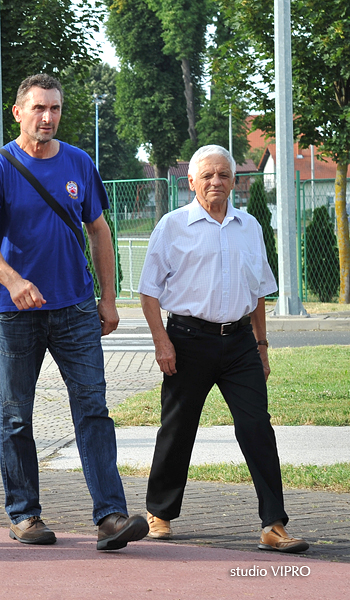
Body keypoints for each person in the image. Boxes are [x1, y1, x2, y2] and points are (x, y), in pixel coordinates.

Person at [0, 74, 148, 550]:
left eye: (55, 109)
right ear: (18, 112)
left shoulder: (79, 162)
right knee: (15, 417)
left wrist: (108, 298)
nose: (48, 117)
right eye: (39, 108)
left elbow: (99, 231)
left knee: (93, 411)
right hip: (15, 313)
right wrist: (13, 281)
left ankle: (111, 516)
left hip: (76, 309)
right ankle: (24, 515)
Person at [139, 144, 309, 554]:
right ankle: (160, 512)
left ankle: (273, 524)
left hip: (239, 344)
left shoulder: (248, 226)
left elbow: (258, 292)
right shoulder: (172, 226)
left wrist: (262, 345)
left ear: (234, 181)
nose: (216, 181)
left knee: (257, 427)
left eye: (224, 175)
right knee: (178, 429)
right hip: (187, 341)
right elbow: (148, 291)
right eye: (208, 175)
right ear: (191, 181)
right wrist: (162, 342)